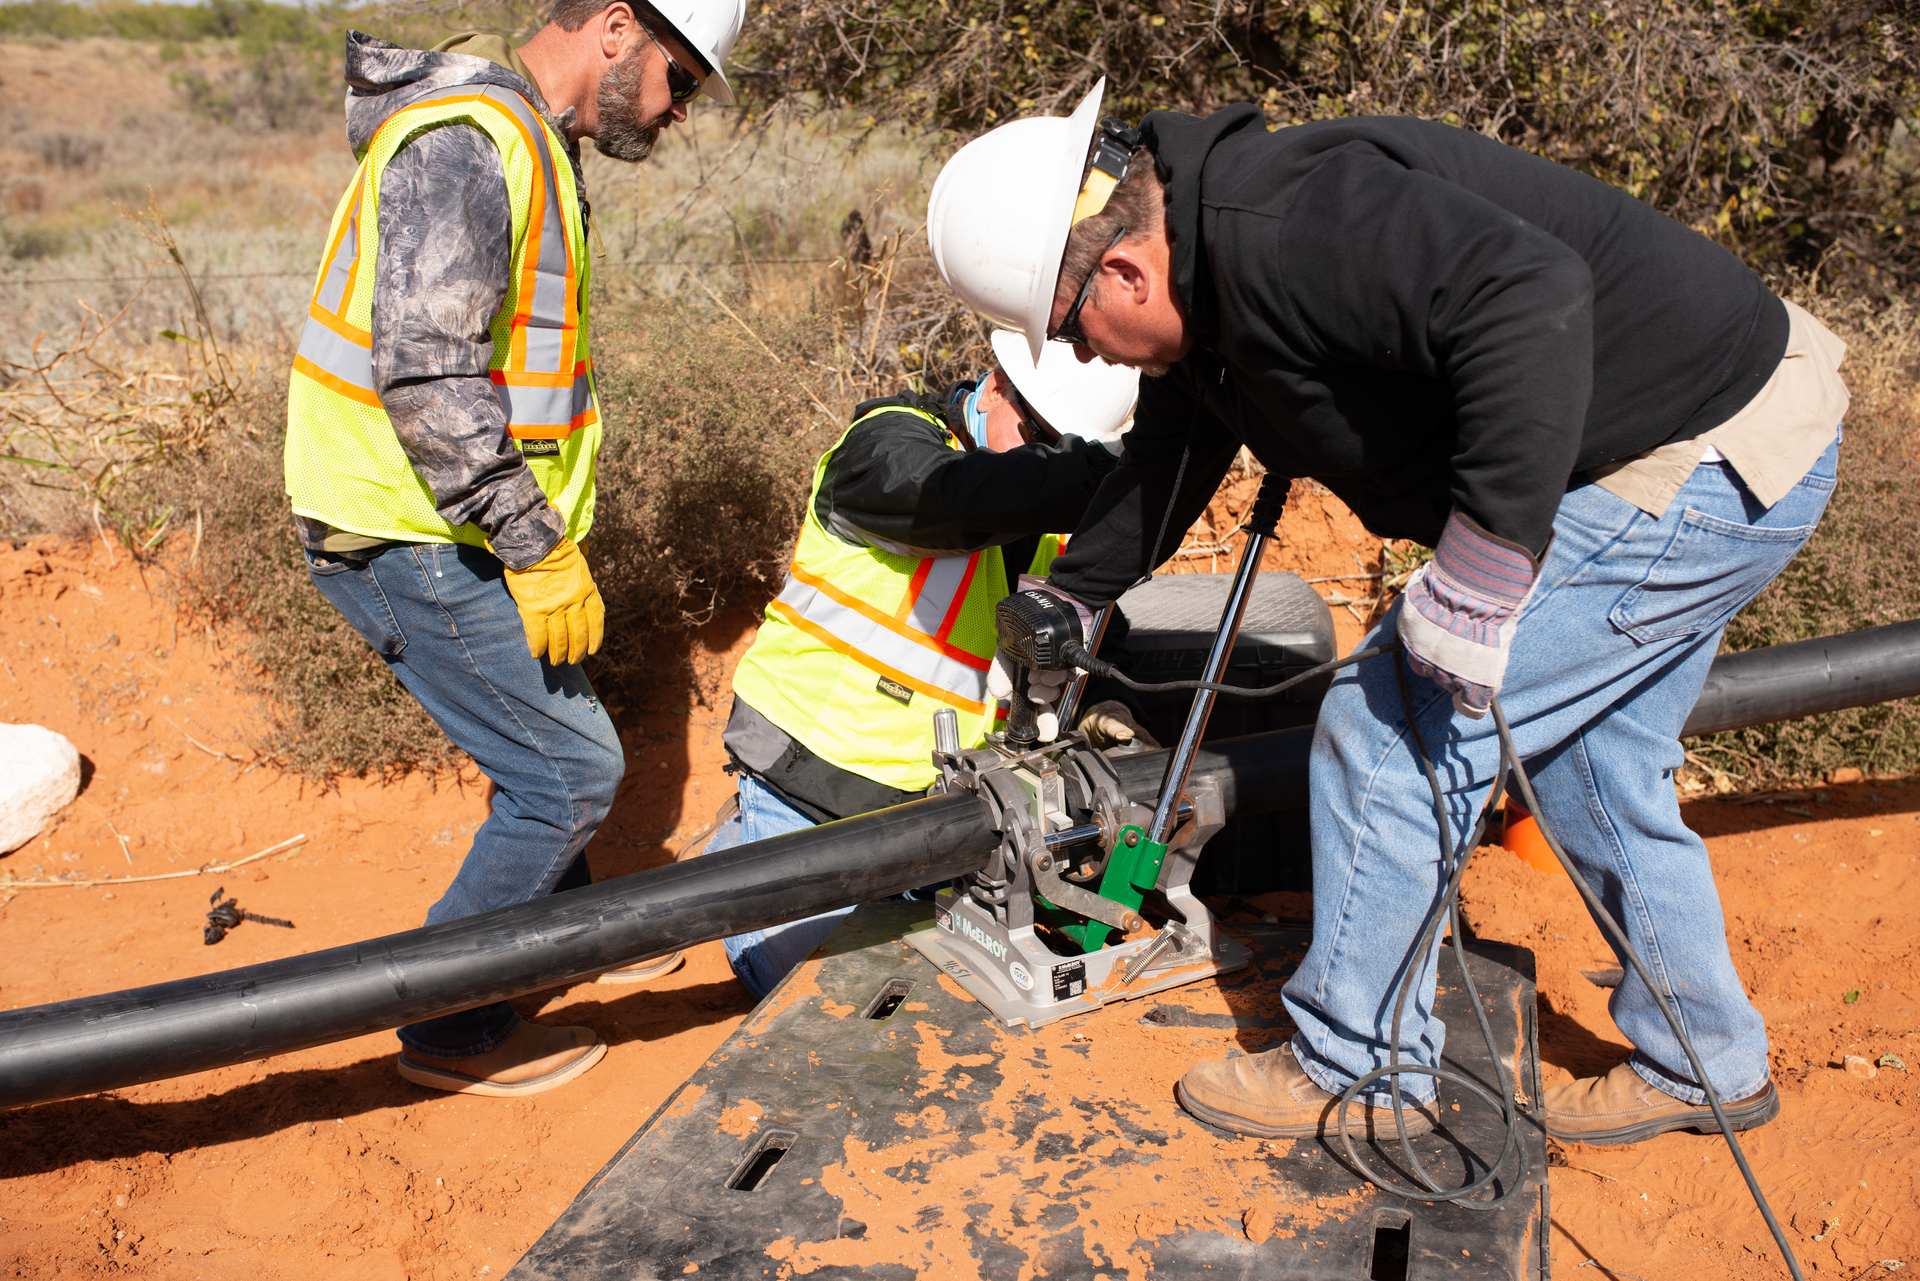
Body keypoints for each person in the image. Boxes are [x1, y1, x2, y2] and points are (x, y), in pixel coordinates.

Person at [927, 84, 1848, 1143]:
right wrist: (1077, 591)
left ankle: (1359, 1070)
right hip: (1719, 425)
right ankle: (1706, 1063)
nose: (1088, 361)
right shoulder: (1207, 262)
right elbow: (1174, 448)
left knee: (1386, 727)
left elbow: (1528, 297)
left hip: (1700, 453)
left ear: (1126, 269)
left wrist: (1485, 566)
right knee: (1589, 761)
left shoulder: (1293, 224)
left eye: (1076, 334)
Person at [283, 0, 745, 1098]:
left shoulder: (530, 138)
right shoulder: (469, 142)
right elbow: (431, 376)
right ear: (620, 30)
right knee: (569, 772)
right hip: (410, 528)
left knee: (551, 733)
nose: (681, 112)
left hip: (460, 521)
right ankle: (450, 1022)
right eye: (682, 79)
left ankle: (569, 937)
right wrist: (535, 543)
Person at [707, 332, 1143, 998]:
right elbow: (960, 499)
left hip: (941, 816)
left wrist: (1088, 721)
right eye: (1034, 430)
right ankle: (735, 857)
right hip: (809, 789)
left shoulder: (1045, 511)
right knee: (839, 1021)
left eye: (1061, 443)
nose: (1040, 455)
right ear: (993, 384)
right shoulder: (886, 451)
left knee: (955, 1011)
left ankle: (737, 856)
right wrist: (1097, 472)